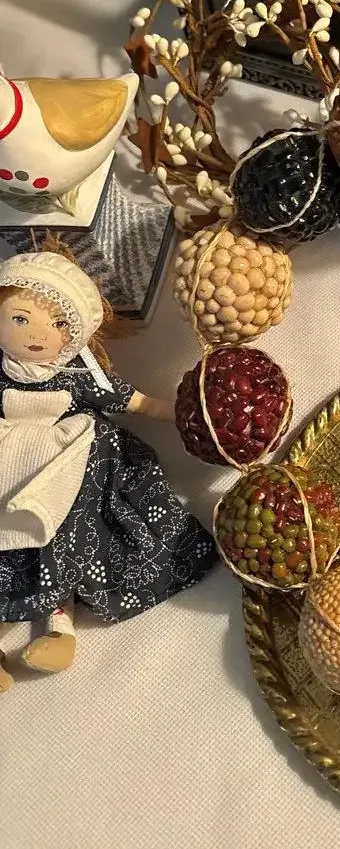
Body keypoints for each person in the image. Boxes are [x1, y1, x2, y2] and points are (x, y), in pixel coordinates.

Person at [0, 250, 217, 690]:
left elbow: (135, 402)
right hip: (8, 468)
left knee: (64, 542)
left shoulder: (79, 376)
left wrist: (186, 414)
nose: (38, 334)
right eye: (20, 319)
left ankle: (60, 631)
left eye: (59, 324)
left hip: (65, 467)